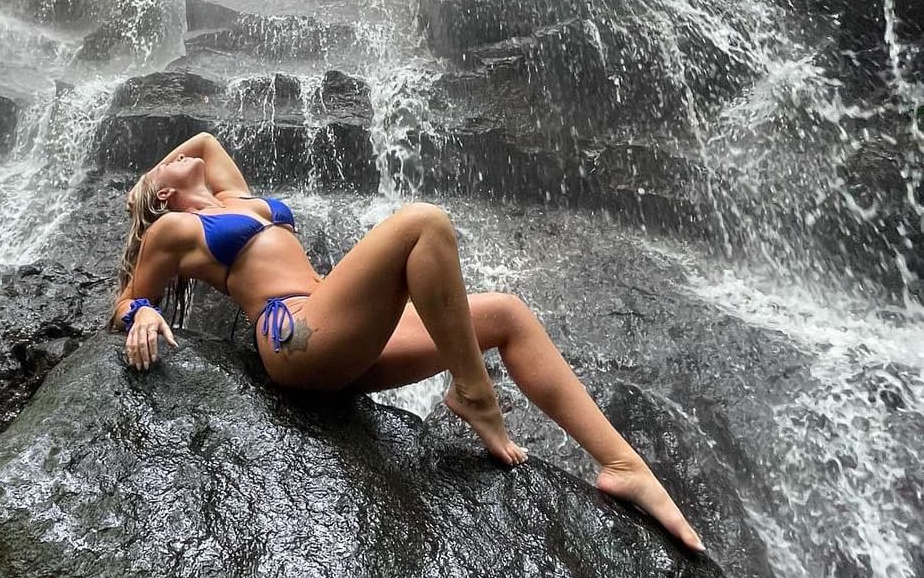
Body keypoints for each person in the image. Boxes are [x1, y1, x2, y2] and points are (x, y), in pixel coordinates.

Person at [113, 130, 704, 552]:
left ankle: (624, 465)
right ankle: (475, 394)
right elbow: (129, 297)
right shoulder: (174, 228)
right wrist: (140, 312)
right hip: (295, 336)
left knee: (506, 314)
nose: (181, 158)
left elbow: (206, 140)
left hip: (342, 335)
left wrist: (161, 173)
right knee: (423, 223)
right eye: (165, 170)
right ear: (161, 199)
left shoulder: (234, 199)